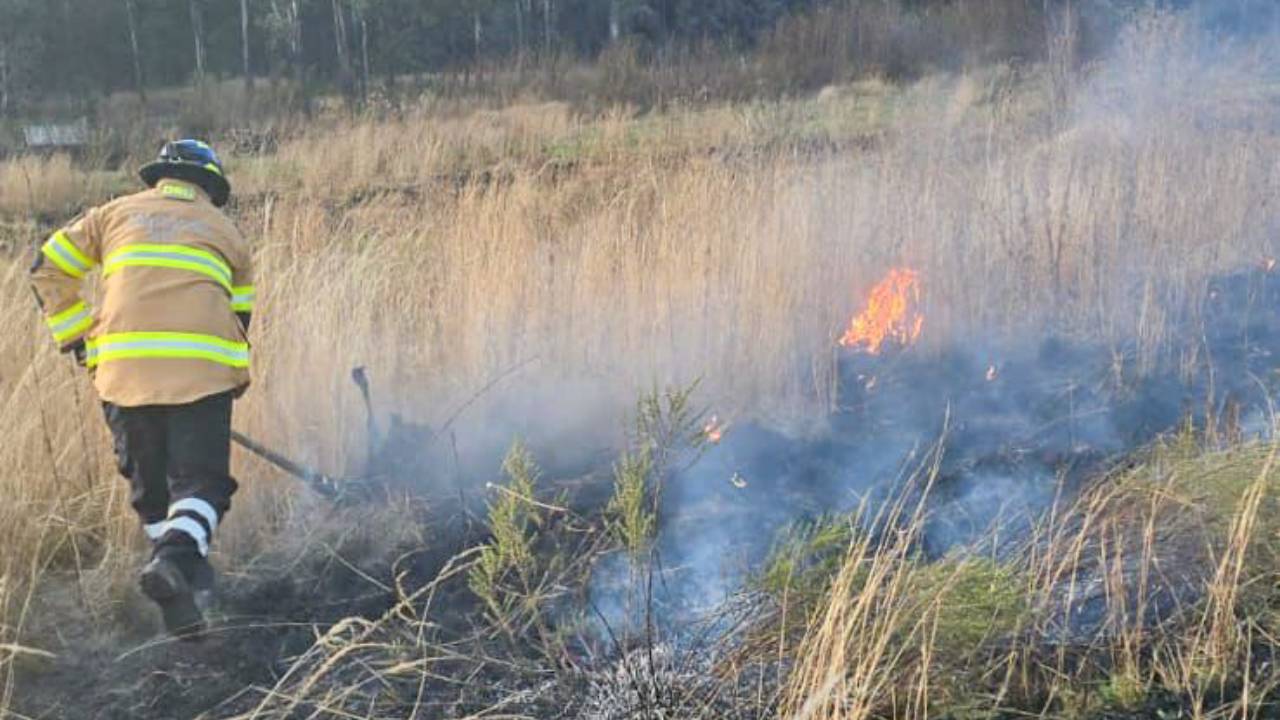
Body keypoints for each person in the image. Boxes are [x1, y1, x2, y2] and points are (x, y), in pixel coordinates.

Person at [29, 140, 254, 640]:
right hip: (201, 375)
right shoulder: (226, 231)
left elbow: (46, 268)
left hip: (123, 377)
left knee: (152, 495)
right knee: (202, 486)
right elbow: (240, 319)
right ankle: (181, 562)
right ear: (209, 185)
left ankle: (184, 587)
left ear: (158, 177)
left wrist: (78, 339)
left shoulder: (111, 214)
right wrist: (229, 383)